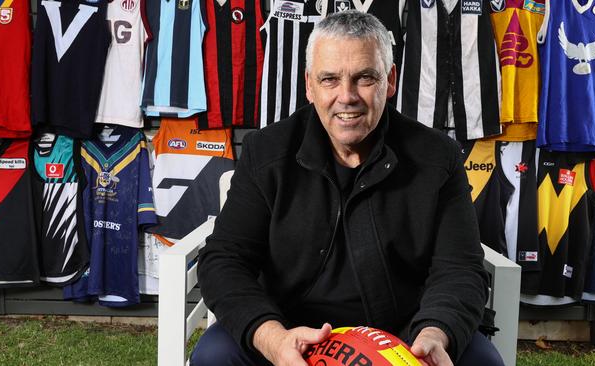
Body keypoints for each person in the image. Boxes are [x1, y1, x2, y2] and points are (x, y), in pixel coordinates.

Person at [191, 10, 504, 366]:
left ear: (390, 80)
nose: (347, 96)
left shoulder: (437, 158)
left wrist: (436, 332)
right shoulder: (266, 152)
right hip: (291, 330)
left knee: (482, 362)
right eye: (330, 79)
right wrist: (272, 337)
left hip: (404, 335)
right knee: (214, 357)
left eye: (364, 78)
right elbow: (224, 260)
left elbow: (459, 268)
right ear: (309, 85)